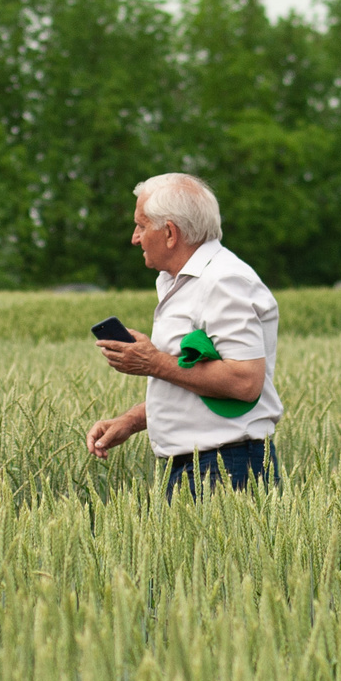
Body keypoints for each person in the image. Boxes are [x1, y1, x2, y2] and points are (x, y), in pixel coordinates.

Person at [86, 173, 283, 496]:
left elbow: (245, 382)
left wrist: (153, 363)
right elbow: (195, 380)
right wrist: (132, 421)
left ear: (170, 233)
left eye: (141, 225)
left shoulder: (223, 281)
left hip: (227, 466)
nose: (135, 238)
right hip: (197, 464)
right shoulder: (178, 281)